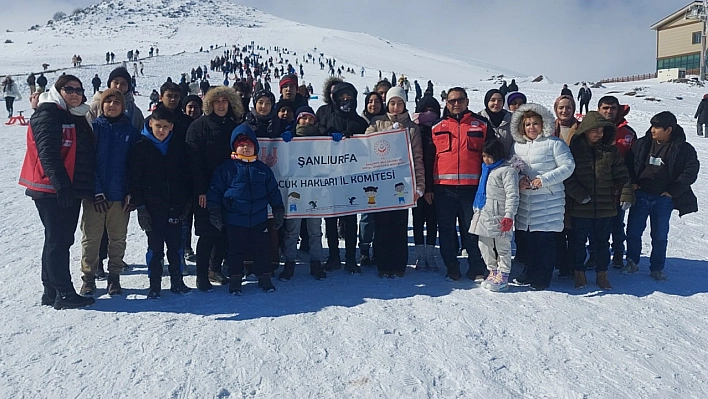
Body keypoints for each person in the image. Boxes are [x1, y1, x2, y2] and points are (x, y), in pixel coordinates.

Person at [19, 75, 96, 309]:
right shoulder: (48, 113)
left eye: (78, 90)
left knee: (55, 239)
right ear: (58, 90)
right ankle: (63, 292)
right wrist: (62, 186)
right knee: (60, 241)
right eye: (69, 89)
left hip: (62, 186)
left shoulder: (70, 113)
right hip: (52, 188)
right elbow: (48, 153)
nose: (74, 93)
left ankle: (50, 289)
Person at [207, 124, 285, 294]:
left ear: (255, 147)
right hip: (235, 220)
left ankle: (264, 277)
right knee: (235, 251)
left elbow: (273, 190)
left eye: (249, 145)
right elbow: (215, 190)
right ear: (235, 147)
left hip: (258, 218)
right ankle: (235, 279)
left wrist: (278, 208)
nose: (245, 147)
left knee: (262, 250)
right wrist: (215, 210)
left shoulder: (262, 169)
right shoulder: (227, 168)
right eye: (241, 145)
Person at [78, 88, 140, 297]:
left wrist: (131, 192)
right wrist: (96, 191)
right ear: (102, 105)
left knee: (118, 238)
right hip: (96, 197)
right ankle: (89, 276)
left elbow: (135, 166)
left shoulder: (131, 132)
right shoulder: (93, 129)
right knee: (91, 238)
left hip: (120, 197)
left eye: (117, 102)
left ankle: (114, 276)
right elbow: (87, 164)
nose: (112, 105)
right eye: (108, 101)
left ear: (123, 106)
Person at [623, 111, 699, 280]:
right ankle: (632, 261)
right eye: (652, 125)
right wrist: (633, 181)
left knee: (659, 235)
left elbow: (691, 172)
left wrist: (673, 192)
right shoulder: (642, 144)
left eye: (657, 127)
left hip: (663, 199)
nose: (652, 130)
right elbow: (628, 163)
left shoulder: (684, 149)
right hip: (641, 195)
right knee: (634, 232)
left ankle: (657, 268)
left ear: (669, 129)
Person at [509, 103, 575, 291]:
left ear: (544, 124)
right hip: (525, 201)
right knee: (526, 240)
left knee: (544, 241)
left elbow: (568, 167)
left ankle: (542, 276)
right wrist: (519, 179)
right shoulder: (518, 146)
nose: (531, 128)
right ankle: (529, 271)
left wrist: (544, 179)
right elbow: (512, 168)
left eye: (535, 124)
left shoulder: (555, 143)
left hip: (548, 201)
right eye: (528, 124)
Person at [128, 106, 192, 299]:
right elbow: (134, 180)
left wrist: (185, 203)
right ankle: (154, 284)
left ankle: (177, 281)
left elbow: (185, 177)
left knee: (175, 247)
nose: (161, 130)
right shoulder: (141, 146)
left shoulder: (178, 146)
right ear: (150, 124)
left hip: (174, 207)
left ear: (171, 127)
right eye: (158, 126)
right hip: (151, 208)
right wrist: (140, 208)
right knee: (155, 248)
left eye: (165, 126)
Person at [564, 111, 633, 290]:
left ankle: (602, 274)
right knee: (578, 242)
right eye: (595, 130)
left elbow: (622, 176)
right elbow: (567, 177)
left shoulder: (611, 152)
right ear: (585, 130)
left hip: (605, 207)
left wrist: (626, 194)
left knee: (603, 243)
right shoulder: (574, 151)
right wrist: (579, 194)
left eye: (602, 130)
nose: (599, 134)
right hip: (581, 206)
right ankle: (579, 273)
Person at [185, 86, 244, 292]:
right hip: (206, 190)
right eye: (217, 102)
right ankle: (202, 276)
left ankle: (215, 268)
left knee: (225, 232)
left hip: (230, 189)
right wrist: (201, 190)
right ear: (210, 104)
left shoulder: (234, 126)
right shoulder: (198, 127)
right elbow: (193, 161)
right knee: (208, 233)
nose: (221, 105)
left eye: (224, 102)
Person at [431, 87, 491, 281]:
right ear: (446, 103)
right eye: (452, 101)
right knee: (446, 229)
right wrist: (429, 188)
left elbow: (492, 156)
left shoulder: (481, 125)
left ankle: (476, 267)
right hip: (443, 189)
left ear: (467, 101)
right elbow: (428, 157)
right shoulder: (436, 126)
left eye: (460, 100)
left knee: (471, 229)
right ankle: (452, 267)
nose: (456, 104)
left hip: (472, 188)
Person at [365, 86, 425, 278]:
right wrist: (389, 133)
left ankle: (399, 265)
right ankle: (383, 264)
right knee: (382, 225)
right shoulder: (377, 122)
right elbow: (366, 143)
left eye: (399, 103)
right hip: (381, 183)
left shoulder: (413, 128)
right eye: (392, 103)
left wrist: (420, 185)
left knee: (399, 225)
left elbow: (417, 157)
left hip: (403, 183)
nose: (396, 107)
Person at [316, 80, 369, 272]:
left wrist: (354, 142)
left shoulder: (359, 122)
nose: (345, 100)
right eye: (341, 97)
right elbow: (314, 137)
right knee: (330, 217)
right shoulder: (324, 114)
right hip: (329, 175)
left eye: (348, 97)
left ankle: (350, 258)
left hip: (351, 176)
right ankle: (333, 256)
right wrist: (329, 136)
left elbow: (367, 149)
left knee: (350, 218)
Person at [280, 106, 327, 280]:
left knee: (315, 230)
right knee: (292, 230)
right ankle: (289, 262)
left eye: (310, 119)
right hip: (295, 191)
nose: (307, 122)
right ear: (298, 120)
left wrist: (337, 142)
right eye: (303, 118)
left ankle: (316, 263)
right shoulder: (290, 137)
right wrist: (284, 141)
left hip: (315, 191)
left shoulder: (322, 138)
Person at [470, 139, 519, 292]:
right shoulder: (486, 169)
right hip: (484, 213)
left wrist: (509, 215)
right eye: (484, 156)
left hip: (500, 214)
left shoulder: (507, 170)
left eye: (489, 156)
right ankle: (492, 271)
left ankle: (504, 274)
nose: (486, 159)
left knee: (503, 246)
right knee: (484, 244)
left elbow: (512, 195)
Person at [596, 95, 637, 268]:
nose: (609, 111)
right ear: (599, 109)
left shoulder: (628, 133)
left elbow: (634, 162)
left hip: (618, 186)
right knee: (596, 224)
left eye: (612, 108)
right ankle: (595, 254)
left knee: (617, 223)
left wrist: (630, 185)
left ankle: (619, 252)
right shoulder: (593, 128)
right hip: (597, 185)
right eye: (605, 108)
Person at [551, 94, 580, 278]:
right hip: (554, 183)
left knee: (573, 226)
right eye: (561, 107)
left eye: (568, 107)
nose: (564, 111)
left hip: (575, 182)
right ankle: (560, 262)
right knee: (557, 225)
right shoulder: (548, 128)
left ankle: (573, 264)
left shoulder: (581, 129)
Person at [411, 95, 441, 271]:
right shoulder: (414, 130)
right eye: (425, 110)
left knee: (432, 220)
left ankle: (430, 255)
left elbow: (434, 161)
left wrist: (430, 187)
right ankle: (420, 256)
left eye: (432, 111)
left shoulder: (440, 129)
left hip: (434, 184)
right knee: (417, 220)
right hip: (415, 184)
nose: (429, 114)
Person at [88, 67, 144, 131]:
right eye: (116, 82)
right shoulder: (95, 106)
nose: (119, 86)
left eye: (123, 84)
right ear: (110, 84)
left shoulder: (135, 111)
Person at [478, 89, 513, 158]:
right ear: (487, 101)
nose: (496, 103)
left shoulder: (512, 119)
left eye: (500, 100)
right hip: (484, 164)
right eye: (493, 100)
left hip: (507, 164)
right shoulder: (479, 119)